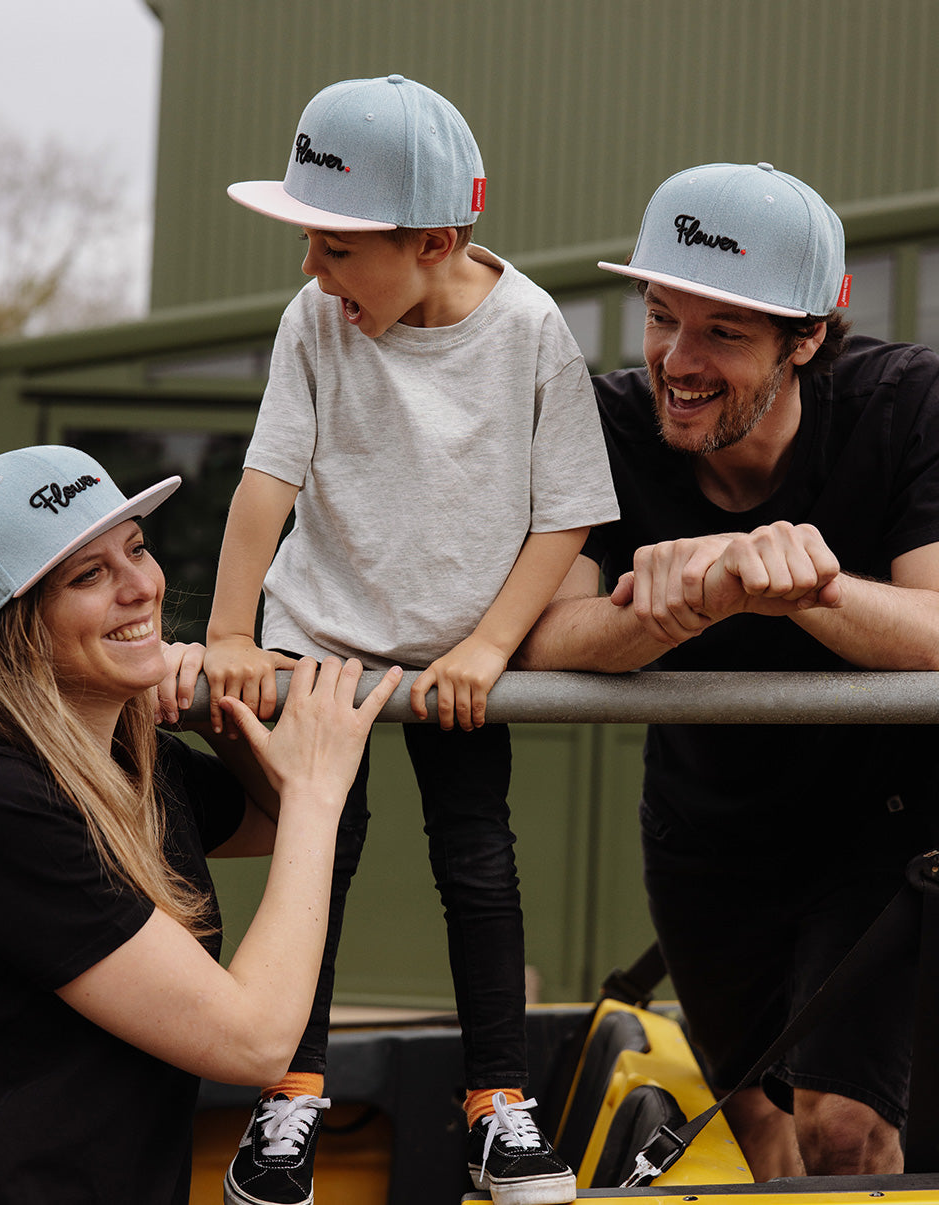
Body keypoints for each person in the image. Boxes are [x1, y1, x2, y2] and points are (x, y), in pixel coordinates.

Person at [205, 75, 618, 1205]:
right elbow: (265, 480)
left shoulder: (529, 330)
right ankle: (288, 1091)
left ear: (432, 240)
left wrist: (487, 647)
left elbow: (566, 509)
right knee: (317, 851)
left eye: (333, 247)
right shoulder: (316, 320)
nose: (310, 271)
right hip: (320, 630)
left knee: (475, 853)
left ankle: (498, 1103)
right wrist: (233, 630)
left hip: (450, 649)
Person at [518, 161, 939, 1180]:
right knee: (755, 1132)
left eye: (724, 333)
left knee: (843, 1124)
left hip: (880, 831)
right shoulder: (603, 420)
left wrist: (804, 585)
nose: (678, 359)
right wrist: (687, 600)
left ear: (807, 339)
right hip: (705, 831)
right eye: (662, 316)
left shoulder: (904, 403)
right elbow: (539, 636)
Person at [0, 444, 401, 1204]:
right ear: (15, 626)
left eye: (136, 548)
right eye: (89, 574)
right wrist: (314, 789)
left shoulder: (137, 760)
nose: (142, 587)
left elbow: (272, 823)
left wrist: (221, 715)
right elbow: (255, 1038)